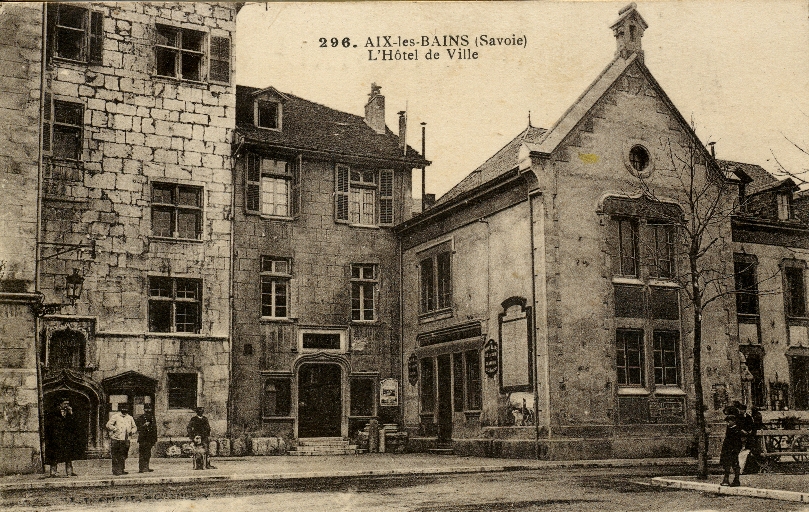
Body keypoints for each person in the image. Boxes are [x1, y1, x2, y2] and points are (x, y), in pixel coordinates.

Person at [45, 398, 80, 477]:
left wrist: (71, 413)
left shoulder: (69, 412)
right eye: (65, 403)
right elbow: (50, 424)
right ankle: (53, 473)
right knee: (54, 455)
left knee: (68, 455)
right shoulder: (53, 412)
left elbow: (74, 424)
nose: (66, 405)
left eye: (68, 403)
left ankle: (69, 472)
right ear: (60, 404)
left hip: (66, 437)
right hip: (56, 437)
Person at [719, 406, 748, 486]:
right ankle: (726, 479)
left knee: (735, 464)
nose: (728, 423)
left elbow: (738, 441)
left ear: (734, 421)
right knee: (726, 463)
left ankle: (736, 480)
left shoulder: (737, 430)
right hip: (727, 448)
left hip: (733, 449)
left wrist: (734, 449)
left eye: (729, 421)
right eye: (727, 422)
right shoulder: (730, 428)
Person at [106, 403, 137, 476]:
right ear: (120, 409)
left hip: (126, 439)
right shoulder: (115, 416)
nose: (125, 411)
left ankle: (121, 469)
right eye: (123, 409)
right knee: (116, 455)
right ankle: (116, 470)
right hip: (116, 439)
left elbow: (134, 427)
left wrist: (132, 431)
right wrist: (115, 429)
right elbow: (108, 425)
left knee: (124, 455)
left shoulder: (130, 417)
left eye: (126, 409)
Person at [135, 404, 157, 473]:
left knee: (148, 453)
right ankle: (141, 468)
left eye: (149, 409)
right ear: (144, 410)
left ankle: (147, 467)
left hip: (150, 438)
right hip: (143, 438)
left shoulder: (153, 418)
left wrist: (155, 439)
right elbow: (137, 428)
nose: (148, 410)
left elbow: (154, 428)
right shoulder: (141, 418)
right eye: (146, 409)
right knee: (142, 453)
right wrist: (144, 425)